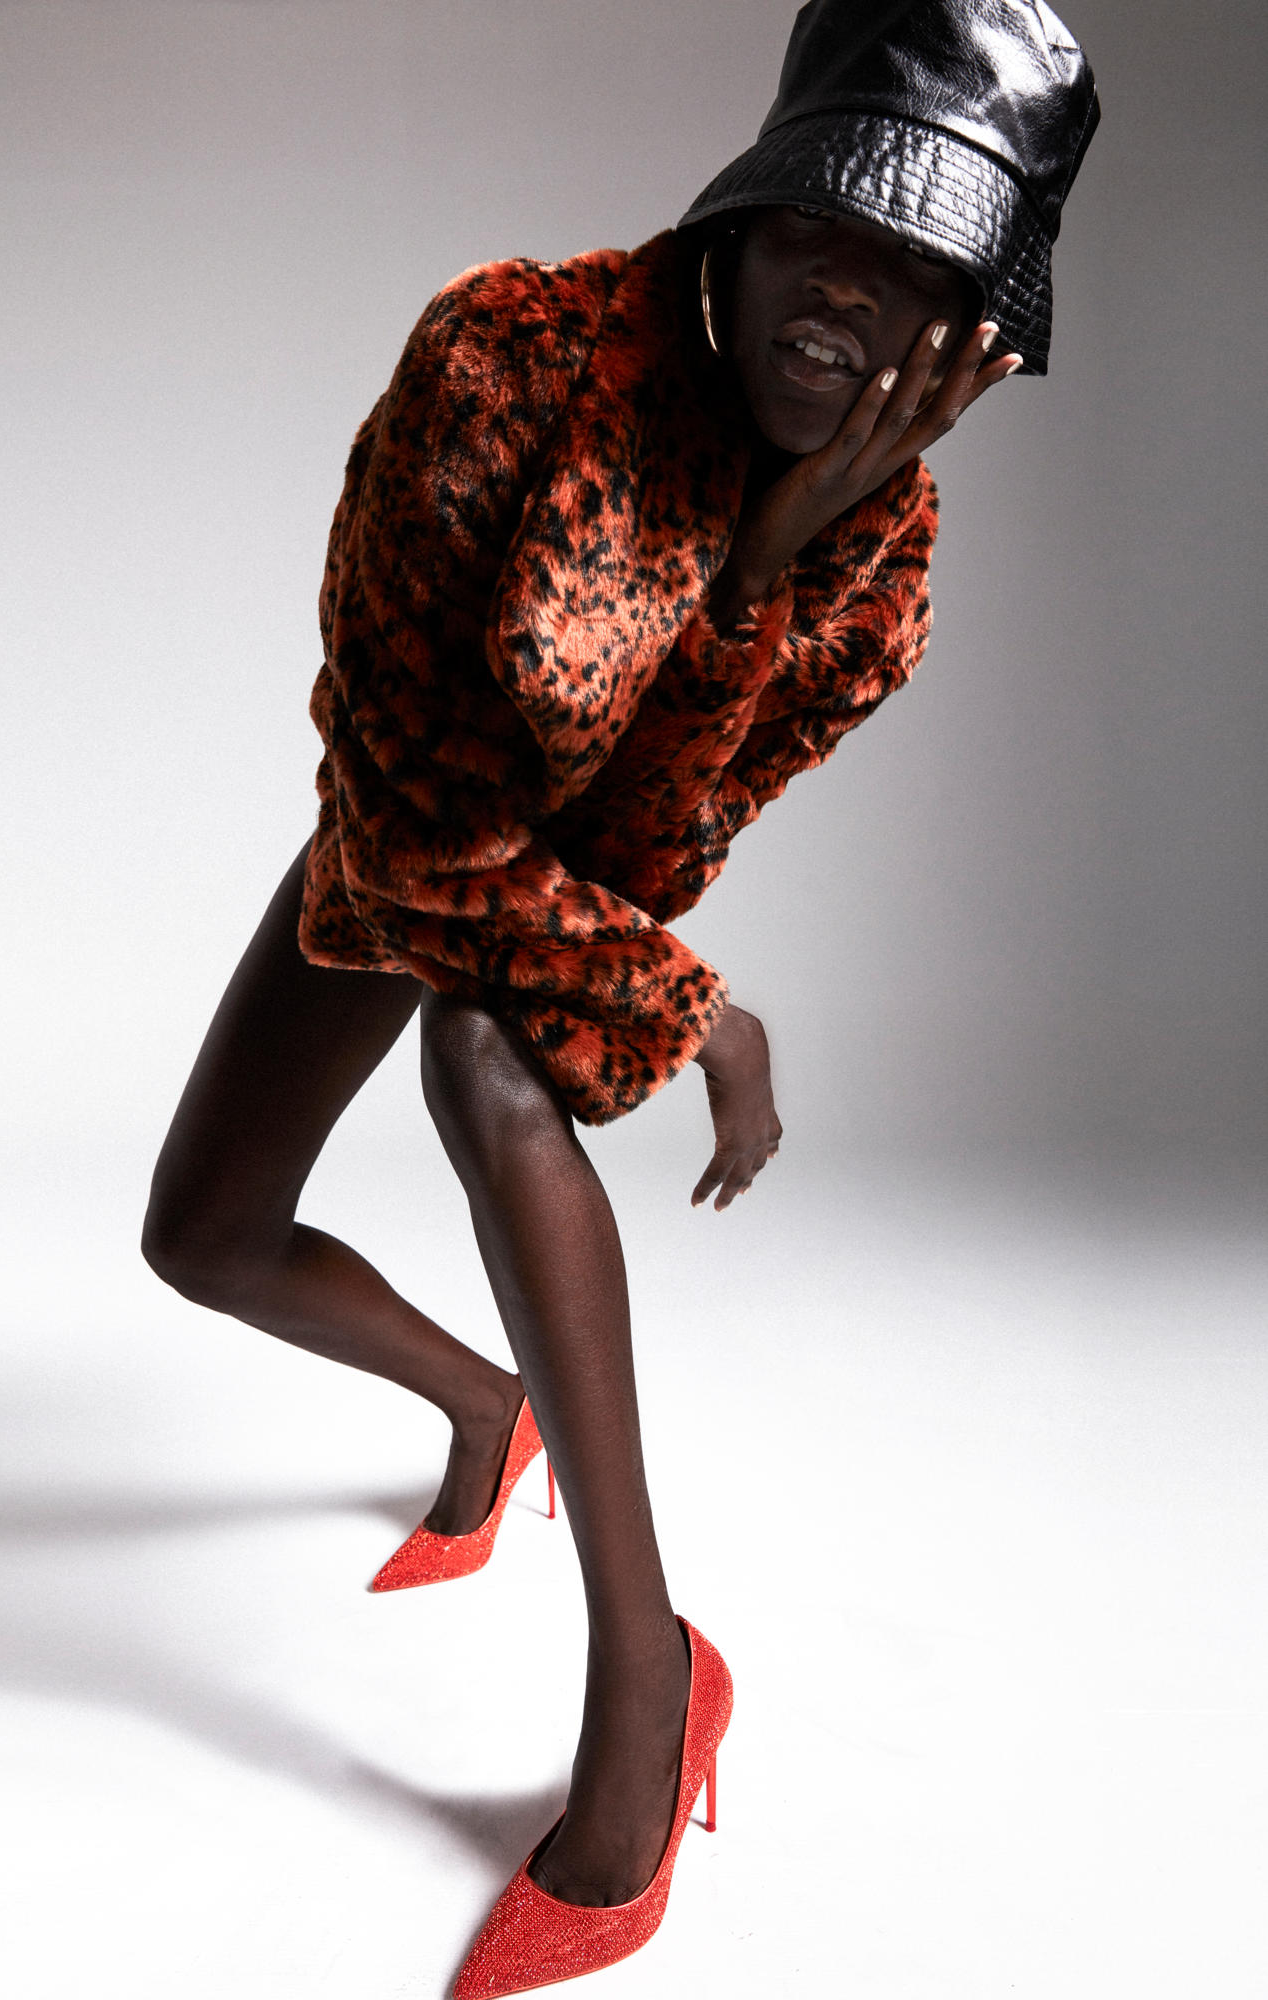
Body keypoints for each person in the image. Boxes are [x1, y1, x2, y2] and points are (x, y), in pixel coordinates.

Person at [142, 3, 1099, 1991]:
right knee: (204, 1237)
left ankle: (647, 1681)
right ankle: (484, 1405)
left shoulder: (877, 556)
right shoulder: (505, 358)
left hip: (532, 881)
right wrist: (697, 1014)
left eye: (917, 269)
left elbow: (644, 855)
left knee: (486, 1074)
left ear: (963, 342)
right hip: (404, 827)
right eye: (824, 225)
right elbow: (416, 824)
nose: (848, 295)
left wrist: (756, 579)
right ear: (741, 219)